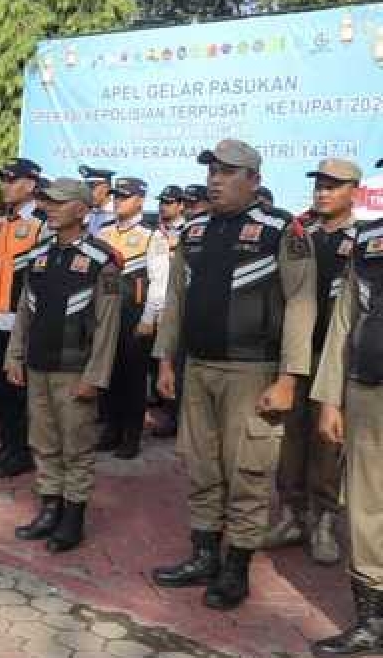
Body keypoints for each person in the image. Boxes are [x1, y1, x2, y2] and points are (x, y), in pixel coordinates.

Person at [151, 139, 317, 611]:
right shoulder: (194, 230)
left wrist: (289, 378)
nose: (215, 180)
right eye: (212, 172)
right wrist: (165, 361)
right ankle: (205, 555)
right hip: (198, 369)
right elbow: (175, 299)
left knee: (247, 473)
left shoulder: (281, 230)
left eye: (227, 172)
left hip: (253, 372)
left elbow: (301, 306)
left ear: (254, 180)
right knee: (202, 467)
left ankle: (236, 569)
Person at [6, 178, 121, 553]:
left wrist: (96, 376)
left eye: (59, 202)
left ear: (82, 210)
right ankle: (49, 508)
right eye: (48, 202)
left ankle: (73, 518)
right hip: (39, 365)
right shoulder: (38, 254)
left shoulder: (102, 260)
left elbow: (108, 325)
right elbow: (24, 311)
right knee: (43, 442)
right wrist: (15, 355)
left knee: (76, 446)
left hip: (75, 370)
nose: (50, 208)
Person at [264, 158, 360, 565]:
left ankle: (324, 520)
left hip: (335, 353)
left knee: (327, 440)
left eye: (333, 186)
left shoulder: (363, 238)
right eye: (319, 184)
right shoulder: (300, 234)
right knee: (290, 436)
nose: (323, 192)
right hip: (294, 352)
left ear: (354, 191)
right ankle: (291, 514)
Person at [308, 158, 383, 657]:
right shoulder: (370, 240)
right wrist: (330, 398)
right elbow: (343, 321)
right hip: (367, 391)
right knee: (366, 508)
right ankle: (371, 620)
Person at [0, 158, 46, 479]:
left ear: (30, 185)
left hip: (22, 324)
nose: (4, 186)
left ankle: (21, 452)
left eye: (11, 180)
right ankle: (7, 447)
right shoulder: (3, 223)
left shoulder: (42, 223)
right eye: (2, 180)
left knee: (19, 391)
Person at [96, 177, 159, 459]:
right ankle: (111, 430)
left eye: (125, 196)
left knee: (133, 378)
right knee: (109, 374)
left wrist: (148, 318)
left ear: (140, 200)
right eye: (116, 196)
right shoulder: (104, 231)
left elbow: (159, 281)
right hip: (107, 315)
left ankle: (131, 436)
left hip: (135, 316)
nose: (118, 201)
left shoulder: (151, 234)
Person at [147, 185, 187, 438]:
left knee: (176, 364)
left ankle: (177, 418)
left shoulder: (189, 232)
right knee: (159, 366)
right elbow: (153, 274)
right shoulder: (156, 233)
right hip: (156, 304)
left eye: (169, 202)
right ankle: (167, 414)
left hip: (177, 307)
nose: (164, 206)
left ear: (181, 206)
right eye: (162, 202)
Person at [79, 165, 116, 236]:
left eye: (91, 188)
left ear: (106, 188)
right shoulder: (87, 213)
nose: (87, 193)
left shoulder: (118, 214)